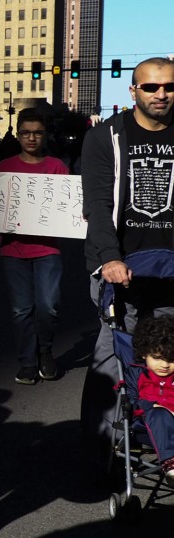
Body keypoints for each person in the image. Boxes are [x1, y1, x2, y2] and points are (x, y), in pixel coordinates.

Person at [80, 57, 174, 465]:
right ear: (132, 91)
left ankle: (163, 434)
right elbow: (98, 205)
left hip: (170, 272)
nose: (161, 94)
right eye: (151, 87)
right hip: (123, 271)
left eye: (169, 86)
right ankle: (100, 447)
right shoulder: (107, 138)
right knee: (113, 359)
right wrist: (109, 259)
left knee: (167, 362)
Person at [0, 108, 68, 385]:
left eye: (37, 133)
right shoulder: (4, 167)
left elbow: (66, 206)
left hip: (47, 249)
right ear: (18, 135)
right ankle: (27, 362)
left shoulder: (57, 167)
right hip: (13, 248)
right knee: (21, 309)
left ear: (45, 136)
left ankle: (45, 350)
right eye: (26, 133)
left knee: (49, 305)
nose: (31, 138)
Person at [130, 316, 174, 479]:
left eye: (171, 359)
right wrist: (151, 406)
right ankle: (171, 463)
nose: (164, 365)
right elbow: (130, 401)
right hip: (148, 424)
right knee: (160, 415)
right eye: (157, 358)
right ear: (143, 354)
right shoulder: (137, 374)